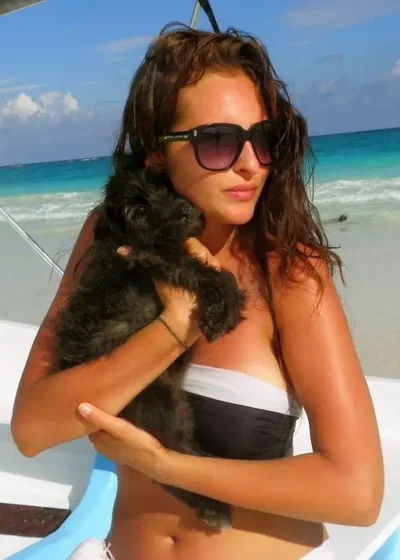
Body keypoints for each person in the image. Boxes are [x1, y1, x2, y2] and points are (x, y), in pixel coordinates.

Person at [11, 25, 384, 560]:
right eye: (217, 141)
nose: (250, 163)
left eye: (263, 138)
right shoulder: (110, 235)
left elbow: (356, 492)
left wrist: (163, 465)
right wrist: (174, 327)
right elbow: (32, 429)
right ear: (157, 154)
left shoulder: (288, 273)